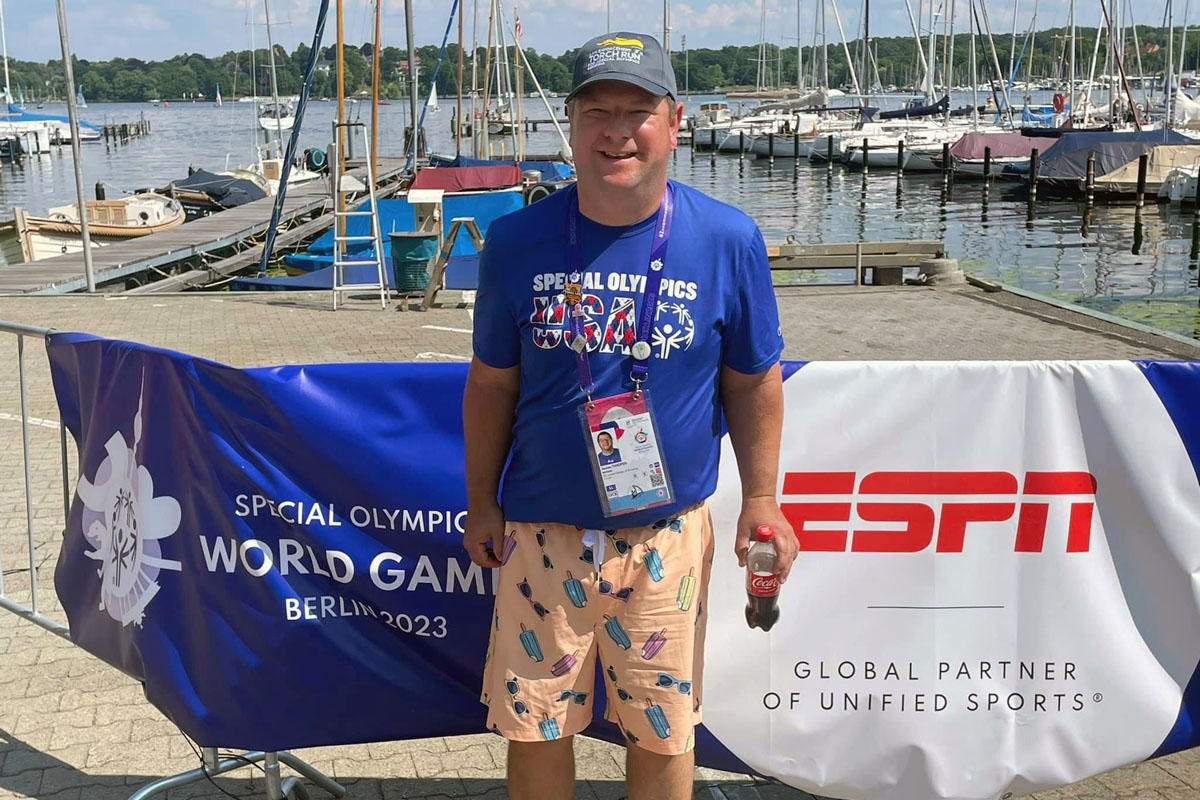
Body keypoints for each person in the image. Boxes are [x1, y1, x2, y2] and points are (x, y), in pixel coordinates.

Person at [462, 30, 798, 800]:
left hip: (668, 536)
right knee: (536, 724)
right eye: (596, 111)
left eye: (637, 111)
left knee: (664, 728)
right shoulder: (516, 242)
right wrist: (481, 500)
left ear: (674, 121)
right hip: (541, 529)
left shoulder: (727, 240)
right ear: (571, 127)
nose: (617, 131)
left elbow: (753, 382)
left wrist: (762, 499)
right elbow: (491, 385)